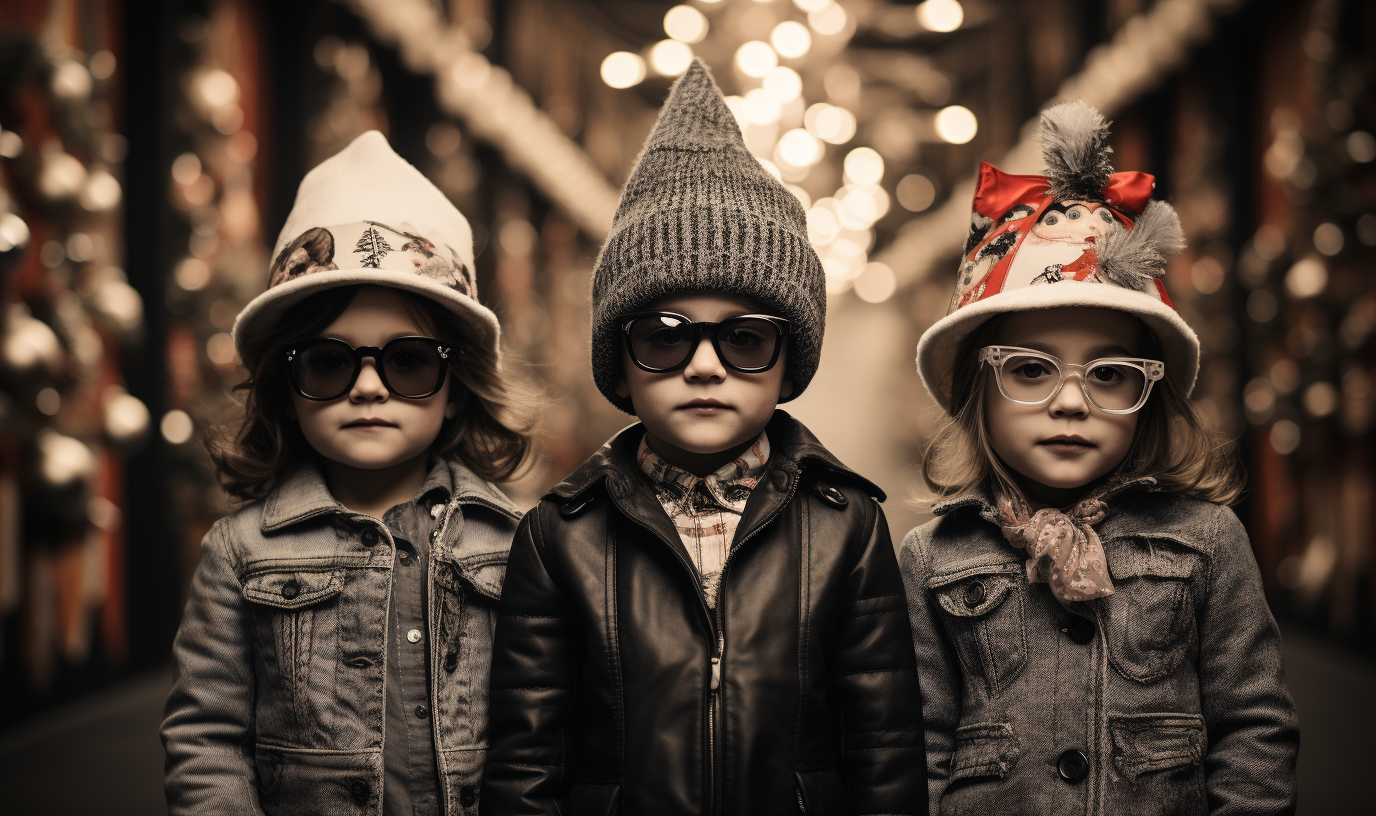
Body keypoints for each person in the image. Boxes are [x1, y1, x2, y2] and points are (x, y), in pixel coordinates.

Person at [481, 60, 928, 816]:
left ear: (789, 361)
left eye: (745, 339)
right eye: (664, 337)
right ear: (619, 364)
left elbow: (883, 748)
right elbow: (526, 758)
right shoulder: (560, 537)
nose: (705, 367)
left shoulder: (847, 526)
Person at [903, 101, 1299, 816]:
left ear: (1149, 396)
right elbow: (919, 745)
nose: (1072, 402)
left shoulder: (1207, 541)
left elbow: (1253, 732)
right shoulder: (933, 558)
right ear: (978, 390)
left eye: (1110, 374)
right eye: (1030, 369)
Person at [161, 132, 533, 816]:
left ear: (455, 385)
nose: (368, 388)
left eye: (409, 361)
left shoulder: (518, 542)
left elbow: (545, 735)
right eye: (329, 362)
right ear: (286, 386)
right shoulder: (240, 553)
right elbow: (207, 739)